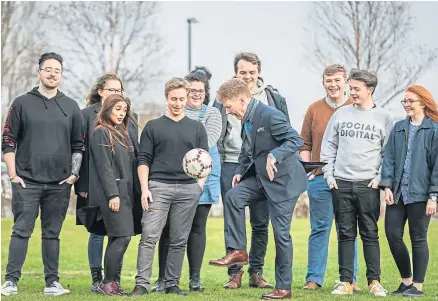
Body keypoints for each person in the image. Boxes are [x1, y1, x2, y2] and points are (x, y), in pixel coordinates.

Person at [209, 78, 308, 300]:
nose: (227, 110)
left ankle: (284, 288)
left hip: (283, 182)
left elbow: (295, 140)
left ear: (242, 99)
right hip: (262, 178)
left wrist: (275, 155)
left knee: (281, 234)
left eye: (228, 105)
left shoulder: (270, 115)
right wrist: (240, 171)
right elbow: (248, 148)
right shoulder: (247, 117)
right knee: (233, 197)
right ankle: (238, 251)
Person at [1, 52, 84, 296]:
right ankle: (10, 282)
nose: (52, 74)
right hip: (27, 181)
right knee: (21, 230)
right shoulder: (21, 103)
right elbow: (7, 140)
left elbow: (78, 144)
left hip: (59, 183)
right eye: (47, 69)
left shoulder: (70, 106)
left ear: (61, 74)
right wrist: (14, 175)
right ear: (39, 72)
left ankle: (52, 283)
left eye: (57, 70)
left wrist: (73, 176)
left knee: (52, 234)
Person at [213, 52, 289, 289]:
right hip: (231, 163)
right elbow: (216, 128)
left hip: (262, 164)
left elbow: (285, 133)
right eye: (242, 72)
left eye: (251, 72)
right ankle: (234, 273)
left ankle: (255, 272)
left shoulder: (272, 98)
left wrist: (274, 160)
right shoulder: (222, 97)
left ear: (259, 73)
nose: (247, 76)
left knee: (259, 222)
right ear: (236, 73)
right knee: (232, 215)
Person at [130, 77, 208, 296]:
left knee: (179, 239)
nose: (177, 103)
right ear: (166, 98)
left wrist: (198, 187)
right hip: (158, 187)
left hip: (187, 190)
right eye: (173, 99)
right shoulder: (153, 127)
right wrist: (145, 189)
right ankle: (141, 284)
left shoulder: (197, 128)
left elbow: (204, 159)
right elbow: (143, 160)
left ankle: (172, 283)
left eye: (181, 99)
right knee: (149, 236)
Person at [320, 68, 393, 296]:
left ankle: (374, 282)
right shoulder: (340, 115)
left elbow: (389, 153)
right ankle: (345, 282)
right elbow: (329, 145)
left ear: (370, 89)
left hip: (367, 185)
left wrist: (379, 179)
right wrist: (330, 176)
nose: (351, 92)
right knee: (345, 234)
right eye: (351, 88)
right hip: (341, 183)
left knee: (370, 233)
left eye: (356, 89)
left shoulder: (384, 117)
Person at [152, 67, 222, 293]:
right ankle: (163, 278)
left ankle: (195, 278)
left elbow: (207, 141)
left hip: (203, 175)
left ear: (206, 92)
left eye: (201, 91)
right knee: (168, 228)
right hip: (172, 176)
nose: (196, 94)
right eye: (192, 90)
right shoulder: (170, 109)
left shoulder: (212, 114)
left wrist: (181, 146)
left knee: (197, 227)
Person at [74, 73, 139, 293]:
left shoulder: (122, 133)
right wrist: (113, 195)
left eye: (123, 110)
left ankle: (111, 282)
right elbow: (104, 168)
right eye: (116, 109)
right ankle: (106, 282)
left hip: (126, 194)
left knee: (119, 237)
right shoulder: (101, 132)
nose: (121, 114)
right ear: (106, 109)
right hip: (112, 195)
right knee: (122, 236)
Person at [299, 64, 360, 291]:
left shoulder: (357, 107)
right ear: (323, 82)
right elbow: (304, 143)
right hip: (320, 179)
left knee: (348, 229)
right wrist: (309, 169)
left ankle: (350, 279)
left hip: (349, 179)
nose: (332, 84)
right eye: (328, 80)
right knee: (319, 228)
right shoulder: (314, 109)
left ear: (345, 82)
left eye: (337, 80)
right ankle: (314, 278)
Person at [380, 85, 438, 297]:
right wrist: (386, 185)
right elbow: (389, 159)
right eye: (404, 101)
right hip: (397, 193)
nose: (406, 105)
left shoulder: (434, 130)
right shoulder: (398, 128)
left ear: (423, 102)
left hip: (422, 195)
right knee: (393, 235)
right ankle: (406, 281)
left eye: (410, 101)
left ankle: (419, 286)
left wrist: (434, 195)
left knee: (418, 238)